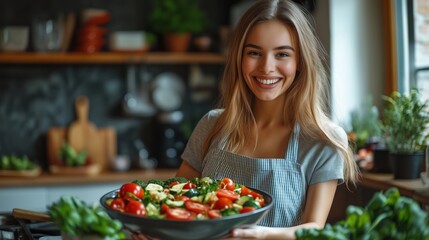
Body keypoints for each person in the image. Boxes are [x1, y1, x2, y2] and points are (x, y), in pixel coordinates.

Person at [175, 0, 360, 239]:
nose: (266, 67)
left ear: (301, 62)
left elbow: (313, 229)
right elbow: (175, 203)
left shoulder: (324, 140)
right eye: (254, 53)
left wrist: (259, 235)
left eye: (282, 54)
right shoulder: (212, 125)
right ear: (240, 59)